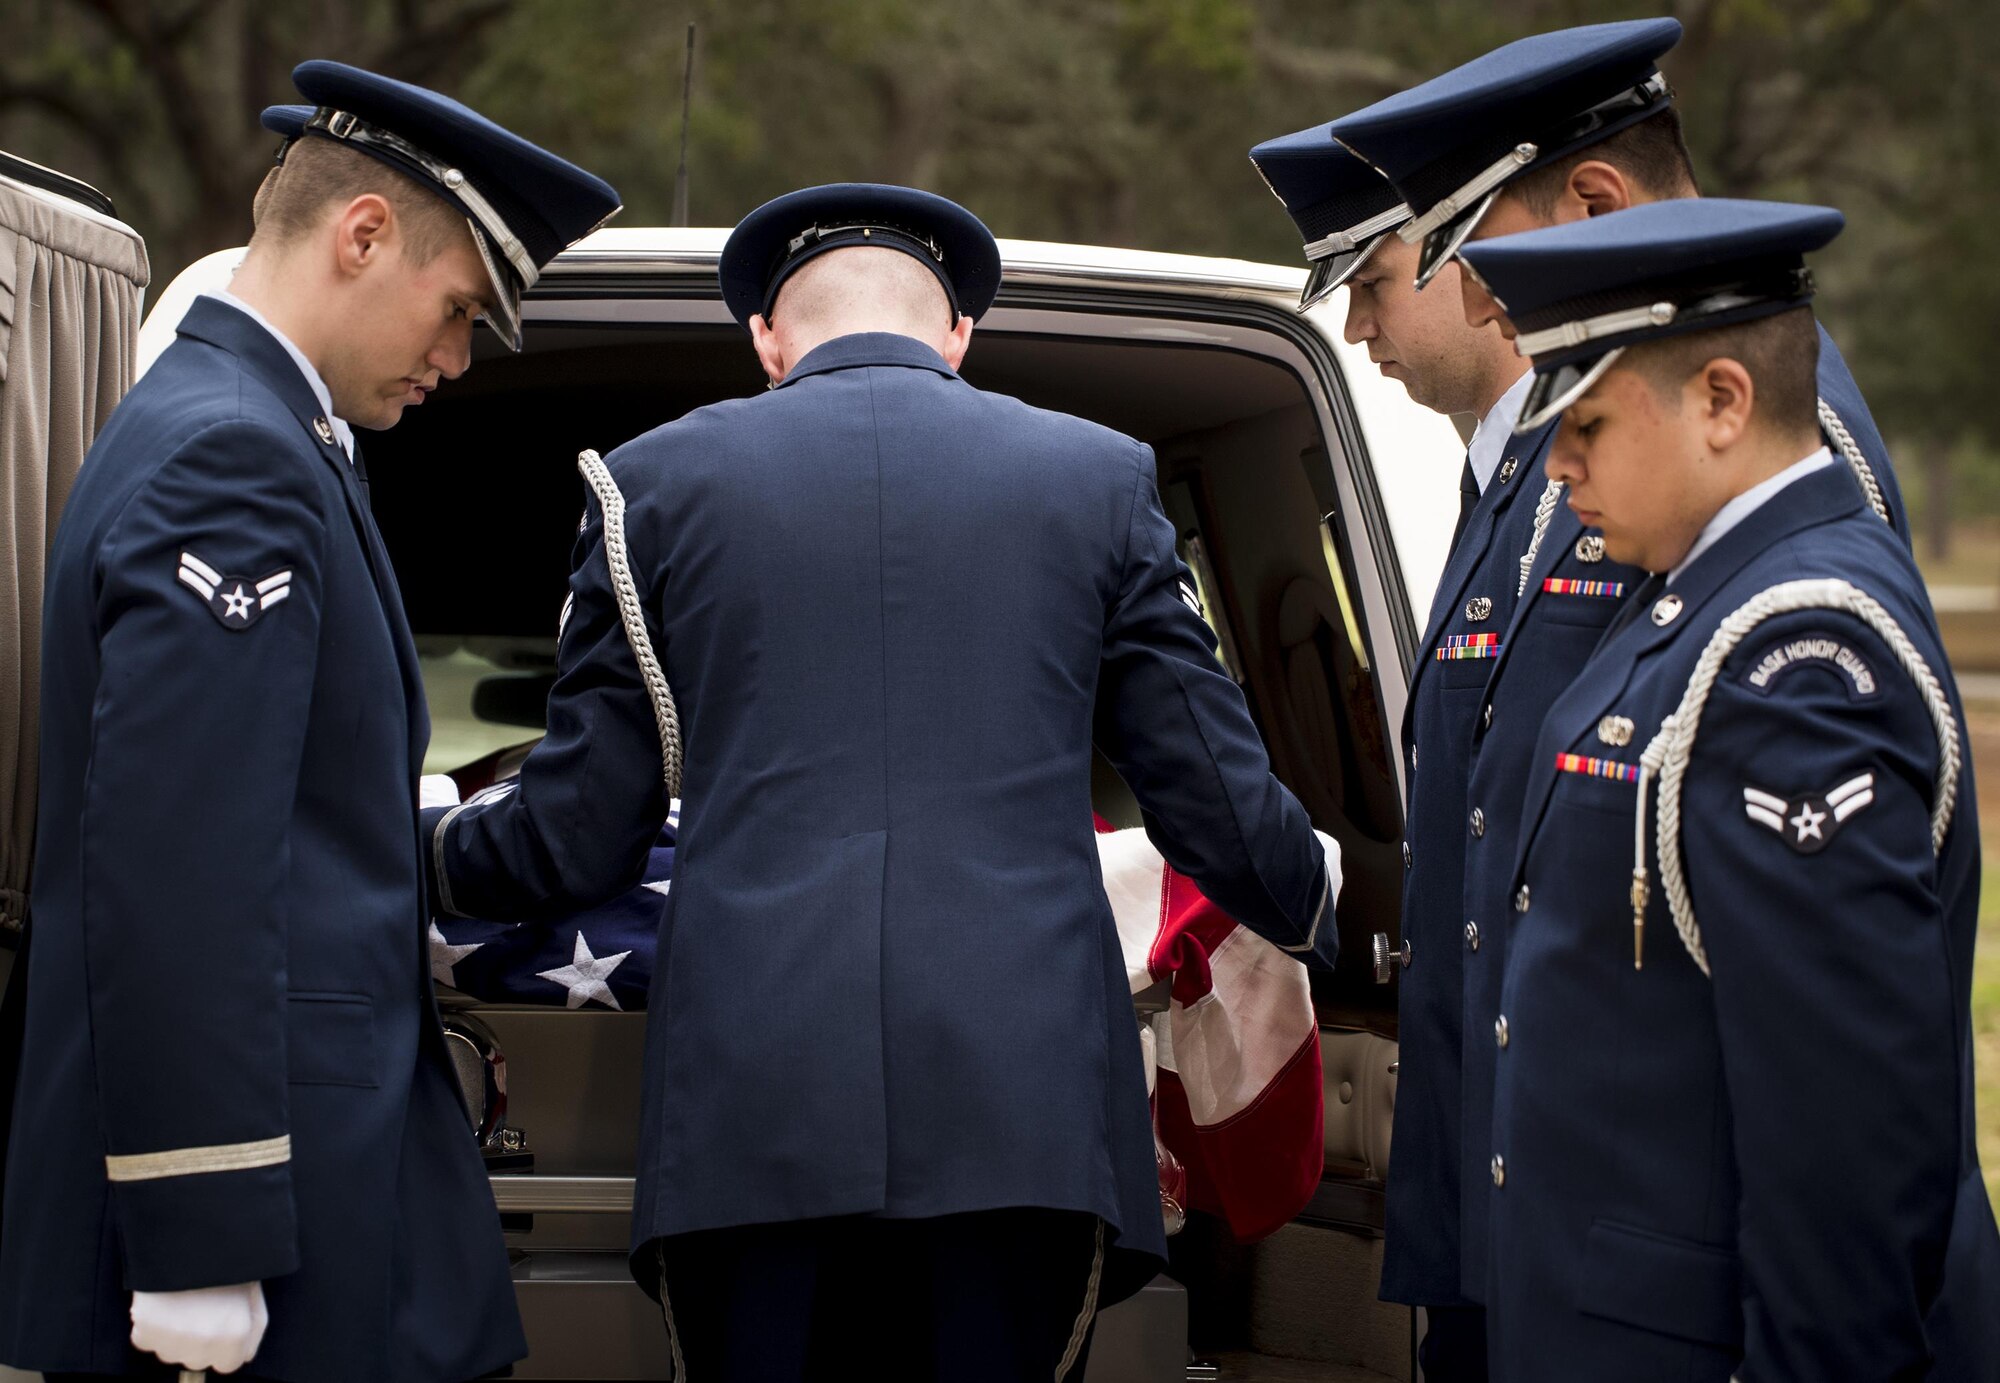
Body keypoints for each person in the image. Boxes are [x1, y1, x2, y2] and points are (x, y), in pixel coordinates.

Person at [421, 181, 1338, 1382]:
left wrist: (407, 846)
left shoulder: (643, 488)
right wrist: (1329, 897)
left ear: (764, 340)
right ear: (959, 332)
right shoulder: (1100, 480)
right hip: (1023, 1122)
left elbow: (578, 838)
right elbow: (1215, 808)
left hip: (753, 1119)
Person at [0, 61, 618, 1381]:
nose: (457, 356)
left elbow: (273, 809)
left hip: (299, 1188)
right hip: (258, 1231)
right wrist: (196, 1230)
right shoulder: (236, 456)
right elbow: (176, 874)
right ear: (361, 235)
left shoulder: (243, 429)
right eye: (457, 310)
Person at [1456, 197, 2000, 1382]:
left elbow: (1842, 1155)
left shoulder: (1795, 659)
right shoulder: (1705, 596)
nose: (1556, 463)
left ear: (1720, 399)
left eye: (1587, 422)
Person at [1252, 94, 1650, 1381]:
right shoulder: (1512, 479)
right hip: (1507, 1170)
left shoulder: (1660, 463)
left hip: (1602, 1180)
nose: (1359, 324)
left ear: (1588, 213)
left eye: (1377, 277)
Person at [1328, 17, 1910, 546]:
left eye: (1482, 264)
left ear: (1597, 206)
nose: (1477, 307)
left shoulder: (1756, 426)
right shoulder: (1668, 410)